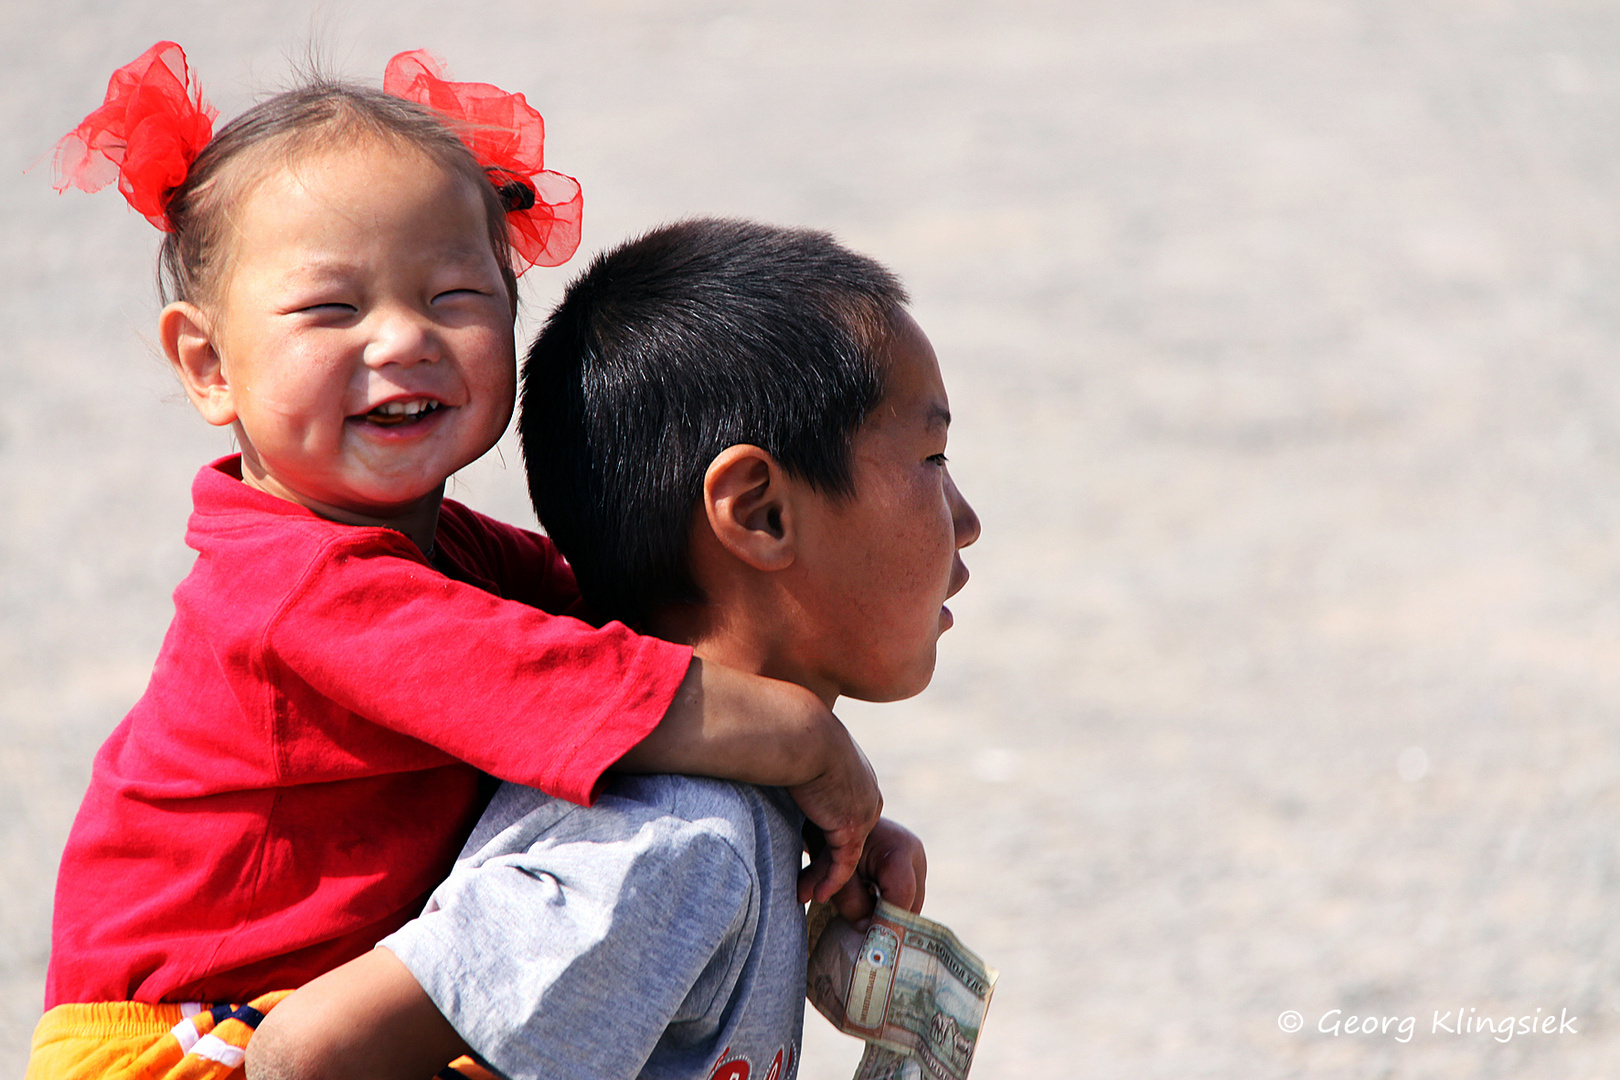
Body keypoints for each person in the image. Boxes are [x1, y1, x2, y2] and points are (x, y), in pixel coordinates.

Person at [29, 47, 898, 1080]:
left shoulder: (452, 558)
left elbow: (643, 649)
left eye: (451, 297)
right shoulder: (298, 586)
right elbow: (603, 695)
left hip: (299, 1015)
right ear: (209, 365)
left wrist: (820, 812)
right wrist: (812, 751)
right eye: (331, 309)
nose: (403, 339)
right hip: (179, 1042)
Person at [244, 218, 981, 1080]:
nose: (965, 518)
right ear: (760, 512)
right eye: (932, 456)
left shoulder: (728, 809)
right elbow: (310, 1055)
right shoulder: (673, 845)